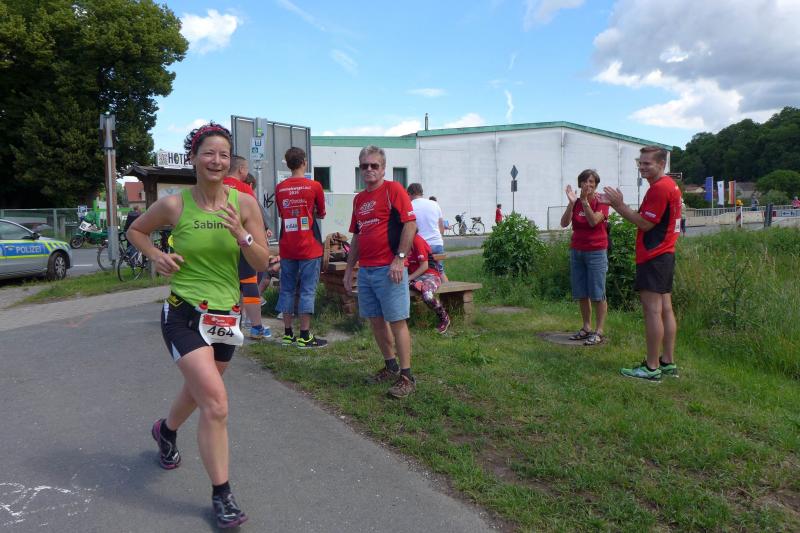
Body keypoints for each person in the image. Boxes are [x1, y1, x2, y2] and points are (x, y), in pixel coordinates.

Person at [127, 122, 269, 527]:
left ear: (230, 161)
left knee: (198, 391)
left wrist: (242, 236)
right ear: (193, 158)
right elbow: (136, 230)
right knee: (216, 402)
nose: (216, 161)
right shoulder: (174, 205)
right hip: (184, 313)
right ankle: (222, 495)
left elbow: (262, 261)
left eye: (223, 154)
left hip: (226, 317)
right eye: (209, 153)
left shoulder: (244, 205)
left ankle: (166, 431)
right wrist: (157, 255)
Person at [343, 145, 418, 398]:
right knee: (376, 320)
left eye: (374, 165)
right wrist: (349, 269)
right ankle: (390, 365)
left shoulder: (393, 190)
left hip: (390, 269)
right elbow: (357, 236)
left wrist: (400, 259)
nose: (369, 169)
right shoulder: (359, 199)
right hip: (366, 270)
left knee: (397, 321)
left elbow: (410, 224)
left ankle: (407, 377)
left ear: (383, 168)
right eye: (365, 166)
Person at [603, 145, 681, 381]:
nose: (642, 167)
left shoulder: (660, 188)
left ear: (661, 164)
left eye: (647, 163)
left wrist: (618, 205)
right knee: (665, 309)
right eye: (640, 162)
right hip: (665, 254)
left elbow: (645, 224)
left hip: (654, 255)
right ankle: (667, 362)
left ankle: (651, 367)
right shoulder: (668, 186)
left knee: (652, 311)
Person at [274, 147, 327, 348]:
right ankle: (305, 336)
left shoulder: (280, 188)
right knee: (307, 290)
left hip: (287, 246)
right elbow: (321, 213)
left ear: (288, 164)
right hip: (309, 247)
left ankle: (288, 334)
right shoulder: (314, 186)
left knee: (286, 289)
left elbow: (282, 213)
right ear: (304, 162)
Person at [560, 169, 609, 346]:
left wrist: (584, 202)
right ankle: (586, 327)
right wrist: (571, 204)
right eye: (585, 181)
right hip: (577, 251)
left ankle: (599, 331)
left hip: (596, 251)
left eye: (591, 182)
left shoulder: (601, 200)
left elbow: (593, 221)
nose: (588, 185)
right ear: (580, 183)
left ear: (596, 185)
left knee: (597, 293)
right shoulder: (576, 202)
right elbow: (564, 223)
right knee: (581, 292)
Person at [223, 156, 269, 339]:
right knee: (249, 284)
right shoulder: (244, 190)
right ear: (241, 169)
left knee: (228, 285)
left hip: (220, 246)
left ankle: (229, 325)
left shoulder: (217, 187)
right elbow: (256, 216)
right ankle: (256, 327)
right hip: (241, 243)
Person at [408, 232, 450, 333]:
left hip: (431, 275)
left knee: (427, 295)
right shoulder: (400, 242)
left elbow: (424, 266)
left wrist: (409, 278)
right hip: (415, 278)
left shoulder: (417, 240)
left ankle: (444, 317)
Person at [407, 183, 447, 281]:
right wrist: (439, 239)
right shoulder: (434, 204)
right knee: (440, 272)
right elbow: (441, 227)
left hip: (420, 246)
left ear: (409, 194)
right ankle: (449, 290)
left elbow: (409, 227)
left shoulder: (410, 206)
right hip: (437, 243)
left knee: (417, 271)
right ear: (421, 193)